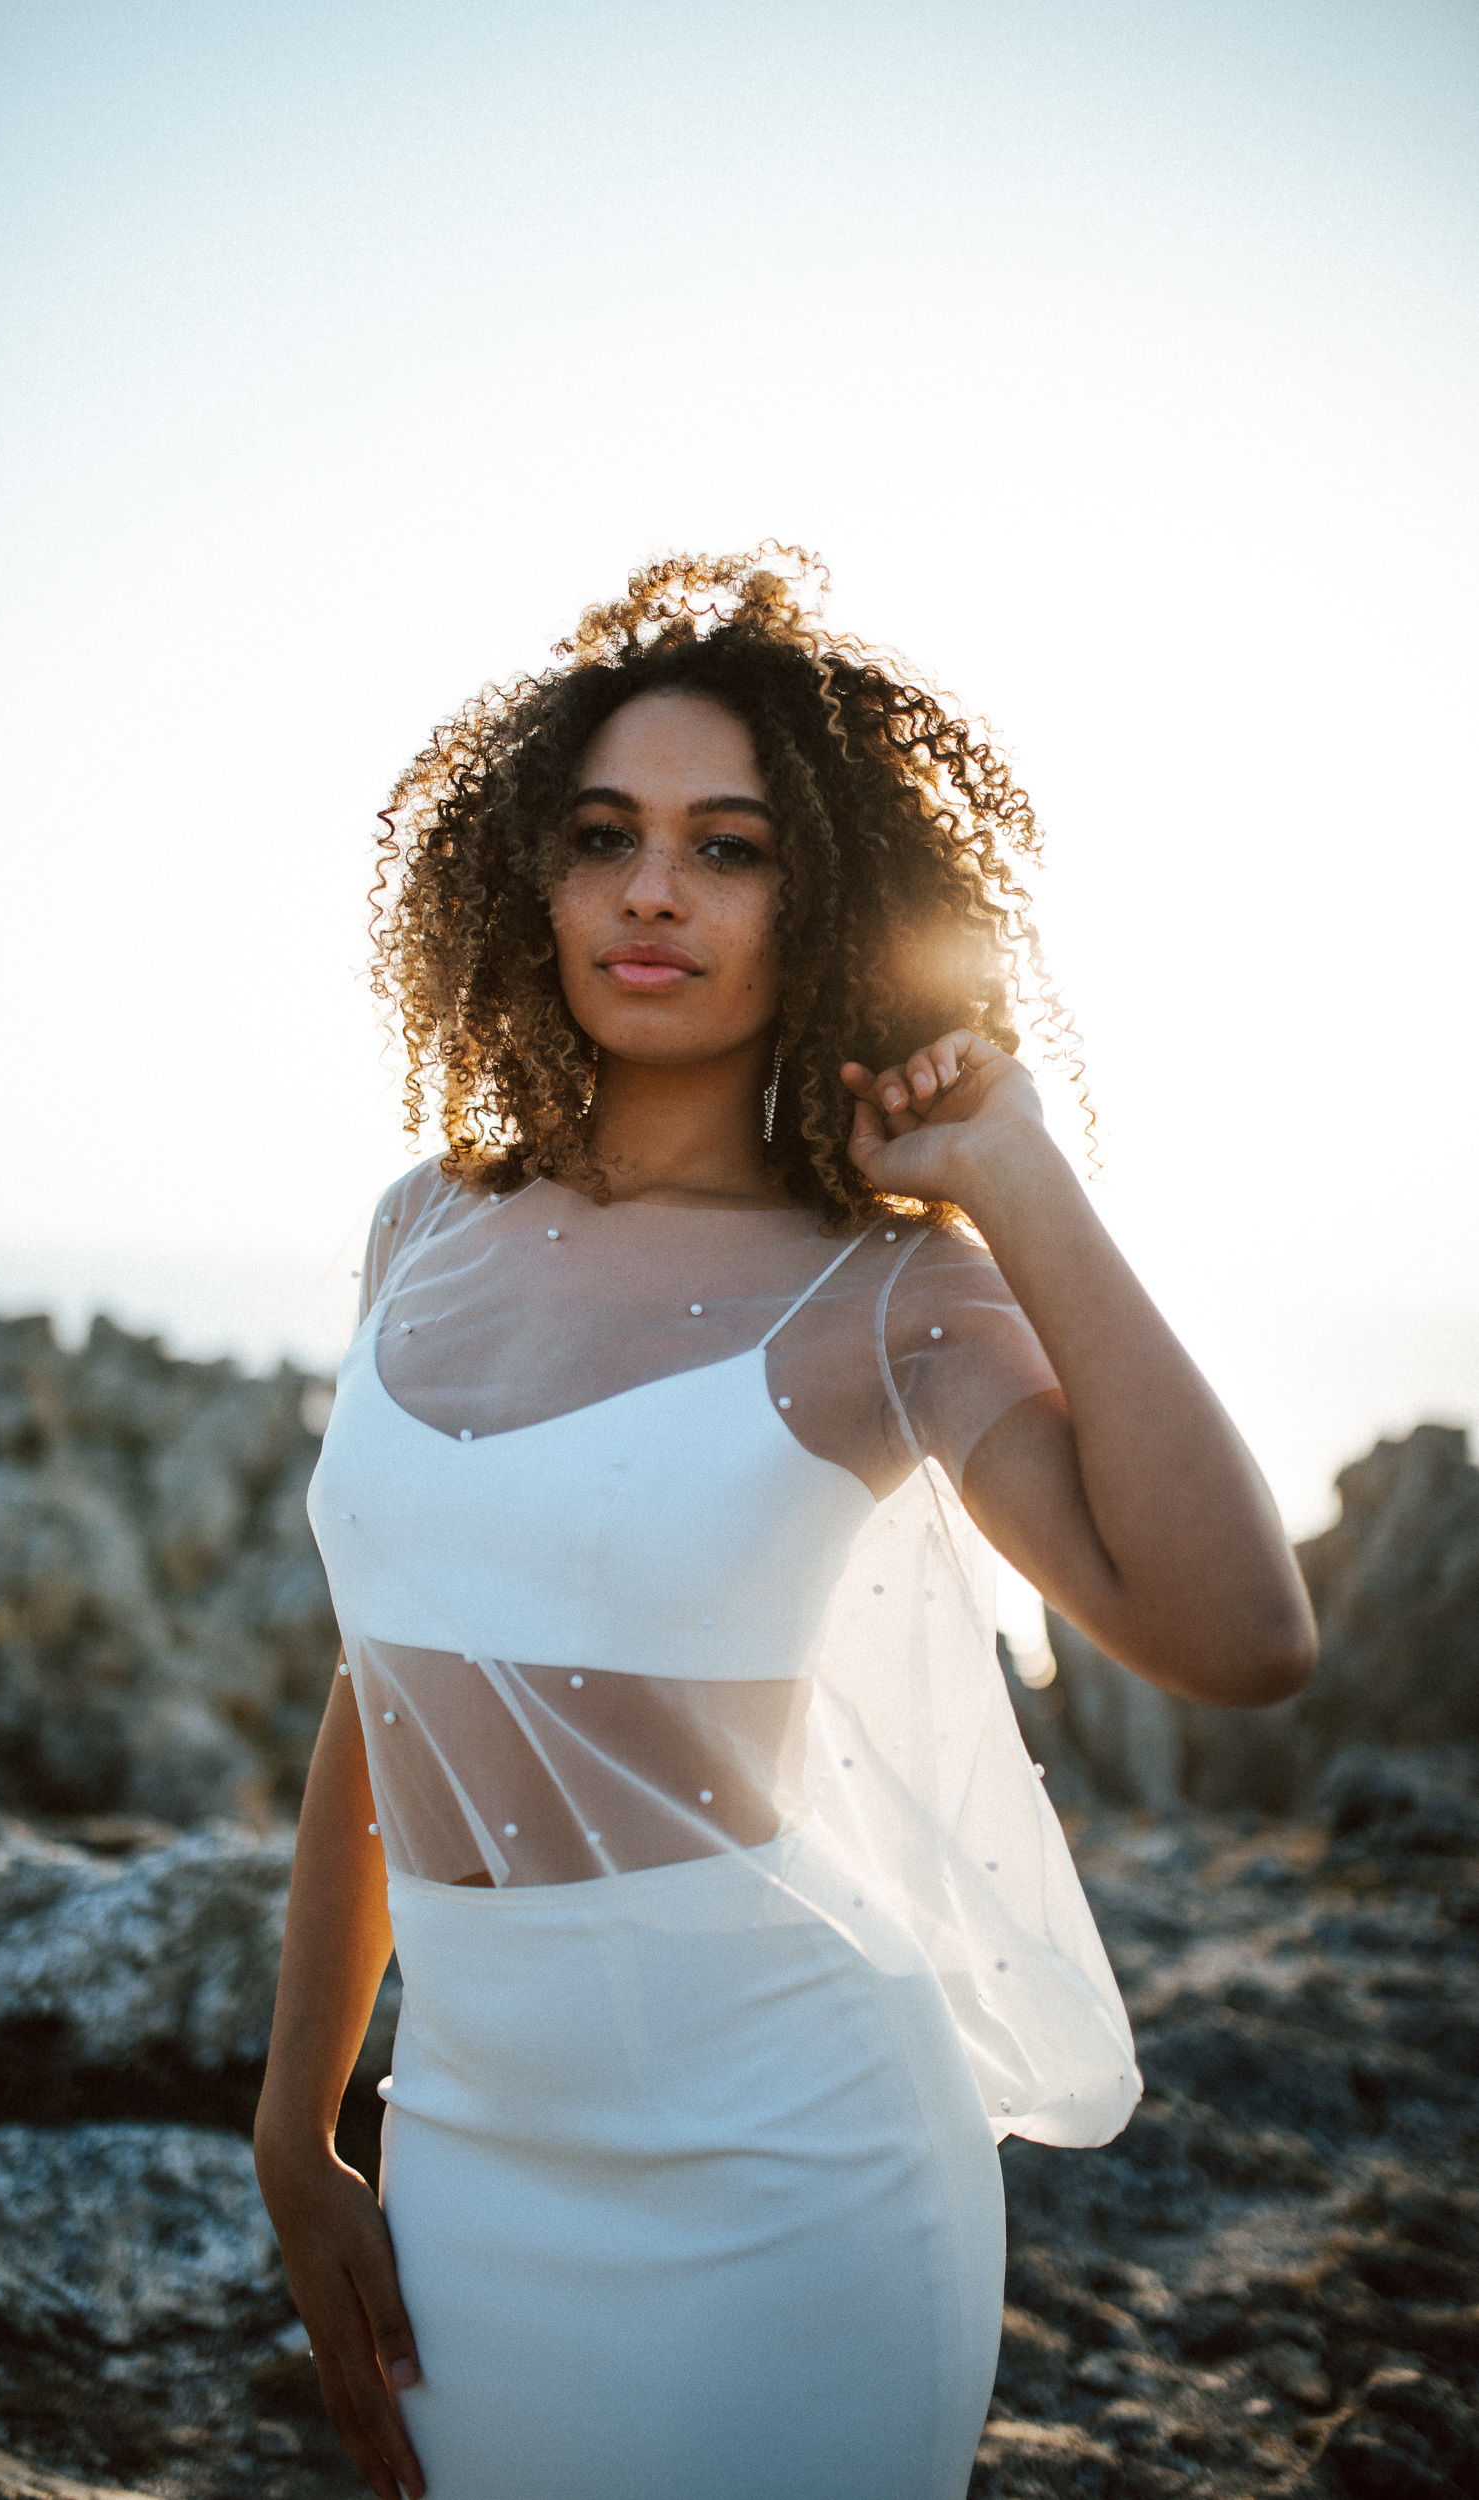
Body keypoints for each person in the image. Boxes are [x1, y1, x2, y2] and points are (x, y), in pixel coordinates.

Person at [253, 548, 1316, 2500]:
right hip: (473, 2136)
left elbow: (1239, 1633)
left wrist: (1016, 1179)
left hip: (795, 2158)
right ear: (528, 879)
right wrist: (297, 2120)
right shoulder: (422, 1226)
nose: (654, 888)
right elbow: (381, 1681)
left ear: (816, 897)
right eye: (605, 834)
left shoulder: (886, 1299)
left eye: (728, 845)